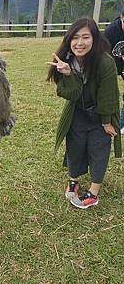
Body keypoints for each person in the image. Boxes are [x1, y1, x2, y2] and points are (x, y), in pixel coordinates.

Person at [46, 17, 121, 209]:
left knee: (99, 150)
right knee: (75, 147)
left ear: (94, 39)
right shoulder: (65, 62)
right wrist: (68, 75)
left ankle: (93, 193)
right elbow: (70, 93)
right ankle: (73, 180)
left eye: (86, 37)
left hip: (99, 116)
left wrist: (107, 121)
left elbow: (109, 95)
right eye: (75, 37)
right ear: (69, 40)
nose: (80, 43)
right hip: (77, 114)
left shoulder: (105, 61)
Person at [104, 12, 124, 133]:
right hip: (110, 65)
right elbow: (102, 52)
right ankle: (105, 122)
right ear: (122, 18)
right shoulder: (111, 31)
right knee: (108, 94)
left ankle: (121, 125)